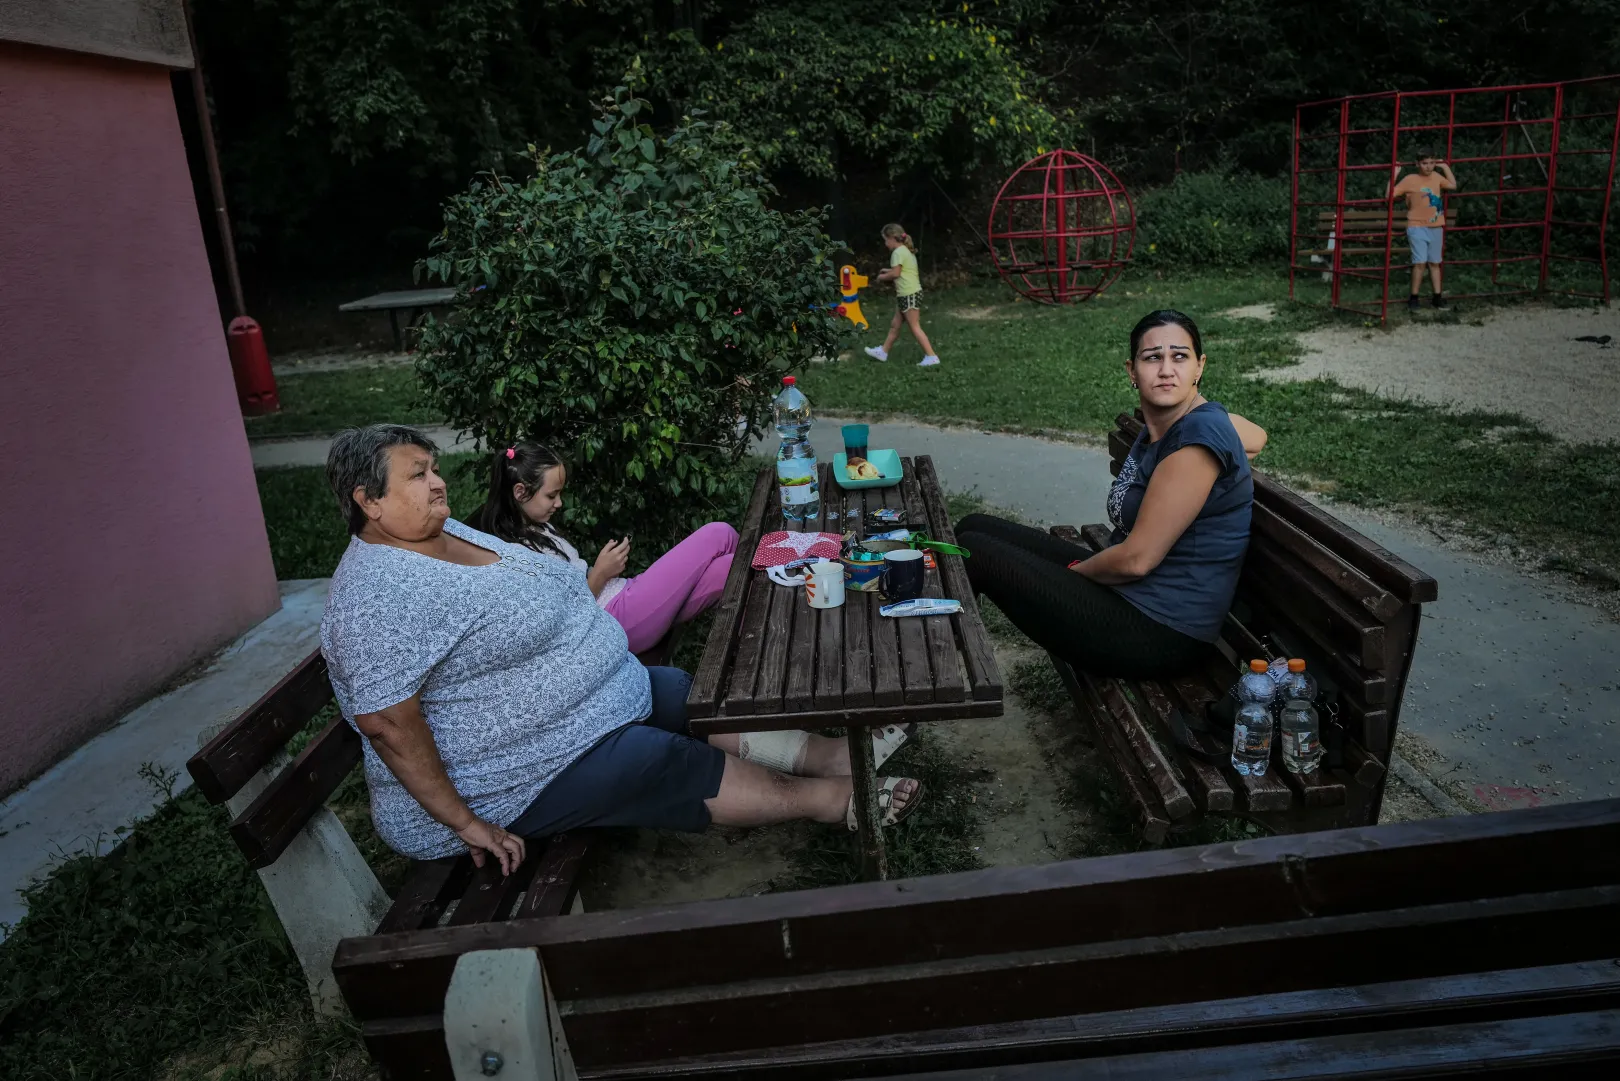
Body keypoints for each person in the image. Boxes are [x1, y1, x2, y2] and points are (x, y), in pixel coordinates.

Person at [320, 424, 922, 871]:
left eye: (433, 467)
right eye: (418, 474)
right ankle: (827, 798)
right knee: (652, 759)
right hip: (509, 777)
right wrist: (466, 823)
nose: (437, 480)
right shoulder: (376, 594)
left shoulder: (442, 528)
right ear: (368, 501)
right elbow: (387, 724)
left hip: (595, 698)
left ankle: (826, 755)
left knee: (677, 690)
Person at [954, 311, 1264, 680]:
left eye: (1179, 357)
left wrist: (1076, 573)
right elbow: (1256, 438)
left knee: (975, 553)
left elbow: (1136, 561)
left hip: (1159, 629)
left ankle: (930, 683)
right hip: (1133, 596)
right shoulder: (1175, 421)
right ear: (1132, 371)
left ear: (1200, 367)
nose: (1167, 370)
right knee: (972, 526)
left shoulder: (1196, 442)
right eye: (1153, 358)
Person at [469, 442, 738, 655]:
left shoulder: (536, 527)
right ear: (519, 492)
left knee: (730, 568)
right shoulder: (517, 553)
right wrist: (600, 573)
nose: (559, 503)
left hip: (621, 597)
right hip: (612, 620)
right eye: (552, 495)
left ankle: (764, 636)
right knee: (719, 533)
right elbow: (560, 620)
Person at [1388, 150, 1459, 312]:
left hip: (1436, 226)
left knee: (1435, 263)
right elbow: (1389, 195)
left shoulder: (1437, 177)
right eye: (1425, 163)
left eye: (1432, 163)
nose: (1429, 167)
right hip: (1417, 226)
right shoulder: (1410, 179)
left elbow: (1453, 185)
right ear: (1417, 164)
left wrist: (1445, 167)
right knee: (1419, 263)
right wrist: (1394, 175)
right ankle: (1413, 298)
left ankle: (1437, 297)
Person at [863, 223, 940, 367]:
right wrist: (888, 271)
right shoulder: (905, 250)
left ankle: (932, 356)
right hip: (907, 294)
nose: (885, 244)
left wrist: (882, 277)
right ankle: (883, 352)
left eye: (886, 240)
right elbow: (902, 270)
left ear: (892, 238)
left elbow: (896, 273)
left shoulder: (897, 253)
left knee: (914, 326)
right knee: (895, 325)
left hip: (908, 294)